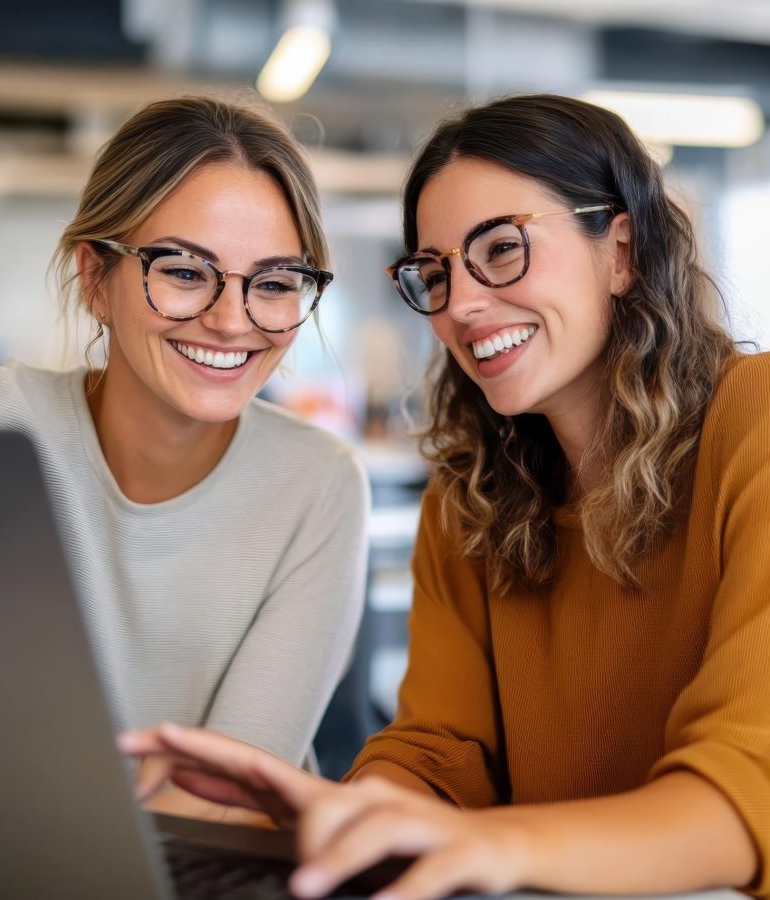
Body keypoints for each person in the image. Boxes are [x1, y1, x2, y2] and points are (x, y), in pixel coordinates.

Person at [120, 93, 770, 897]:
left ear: (622, 252)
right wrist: (356, 819)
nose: (460, 305)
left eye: (501, 249)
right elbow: (437, 751)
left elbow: (752, 788)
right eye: (435, 272)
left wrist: (493, 844)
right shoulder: (472, 499)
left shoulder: (757, 423)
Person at [0, 96, 369, 819]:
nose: (230, 319)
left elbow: (229, 792)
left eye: (274, 283)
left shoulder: (318, 486)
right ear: (96, 278)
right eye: (185, 271)